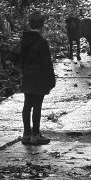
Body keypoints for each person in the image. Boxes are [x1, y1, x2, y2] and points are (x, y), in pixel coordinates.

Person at [20, 10, 55, 145]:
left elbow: (21, 60)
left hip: (27, 76)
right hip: (39, 78)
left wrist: (24, 71)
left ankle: (26, 134)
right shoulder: (42, 42)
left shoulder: (24, 40)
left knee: (27, 105)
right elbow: (47, 63)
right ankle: (36, 134)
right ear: (42, 25)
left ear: (30, 24)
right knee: (37, 106)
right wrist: (51, 80)